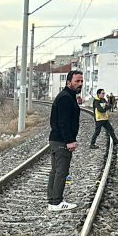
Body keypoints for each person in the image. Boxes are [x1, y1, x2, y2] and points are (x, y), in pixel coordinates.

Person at [47, 70, 83, 211]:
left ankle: (52, 201)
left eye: (81, 81)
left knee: (55, 171)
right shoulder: (65, 98)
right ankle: (57, 202)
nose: (80, 84)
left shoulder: (68, 96)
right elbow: (63, 122)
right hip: (61, 141)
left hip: (57, 140)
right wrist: (69, 140)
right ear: (69, 82)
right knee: (61, 171)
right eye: (77, 81)